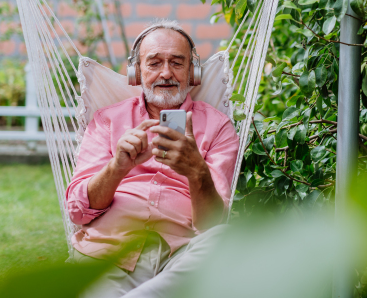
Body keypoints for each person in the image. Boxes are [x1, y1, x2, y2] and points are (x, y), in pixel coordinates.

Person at [66, 19, 239, 297]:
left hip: (181, 258)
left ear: (192, 73)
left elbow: (213, 225)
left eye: (177, 63)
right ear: (136, 72)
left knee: (224, 239)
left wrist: (197, 171)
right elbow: (77, 211)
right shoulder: (107, 120)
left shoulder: (218, 126)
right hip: (109, 253)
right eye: (155, 63)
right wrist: (117, 167)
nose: (166, 73)